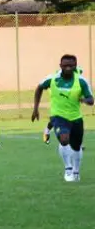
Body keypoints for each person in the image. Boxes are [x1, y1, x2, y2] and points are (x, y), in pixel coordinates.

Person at [32, 54, 94, 182]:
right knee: (64, 139)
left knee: (76, 147)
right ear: (60, 65)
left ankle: (76, 171)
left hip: (76, 118)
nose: (68, 68)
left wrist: (84, 100)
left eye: (71, 65)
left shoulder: (81, 81)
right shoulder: (52, 79)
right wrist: (35, 108)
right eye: (65, 65)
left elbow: (91, 100)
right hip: (58, 116)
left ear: (75, 66)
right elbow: (39, 88)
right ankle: (68, 169)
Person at [43, 66, 84, 144]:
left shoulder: (76, 76)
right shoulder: (58, 77)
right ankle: (47, 131)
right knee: (58, 117)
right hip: (58, 96)